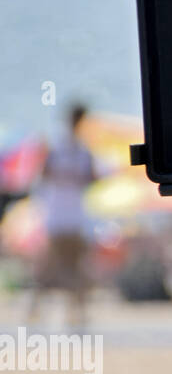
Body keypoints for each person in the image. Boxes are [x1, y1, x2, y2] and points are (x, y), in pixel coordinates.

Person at [29, 103, 98, 330]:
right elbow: (92, 179)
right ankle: (73, 314)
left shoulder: (66, 150)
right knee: (65, 268)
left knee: (64, 268)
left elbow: (44, 177)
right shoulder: (66, 150)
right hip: (65, 219)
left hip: (66, 219)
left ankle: (67, 313)